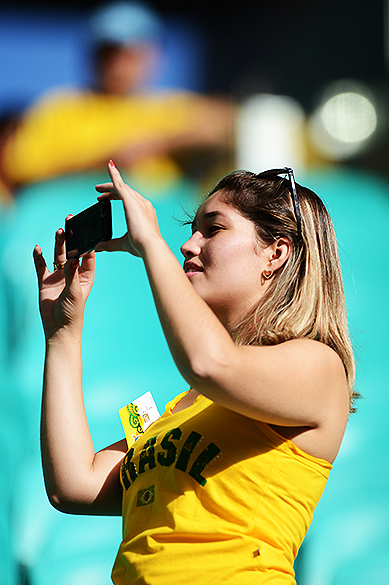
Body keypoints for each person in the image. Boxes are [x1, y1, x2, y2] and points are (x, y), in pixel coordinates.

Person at [33, 160, 357, 584]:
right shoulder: (180, 406)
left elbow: (209, 363)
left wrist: (150, 241)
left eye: (214, 228)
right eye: (191, 230)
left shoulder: (319, 366)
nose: (188, 245)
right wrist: (61, 333)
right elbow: (74, 485)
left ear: (276, 252)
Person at [1, 2, 234, 195]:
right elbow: (19, 169)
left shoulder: (169, 107)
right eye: (109, 54)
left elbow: (227, 122)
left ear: (153, 57)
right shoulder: (60, 108)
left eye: (130, 55)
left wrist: (159, 143)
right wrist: (107, 161)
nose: (118, 65)